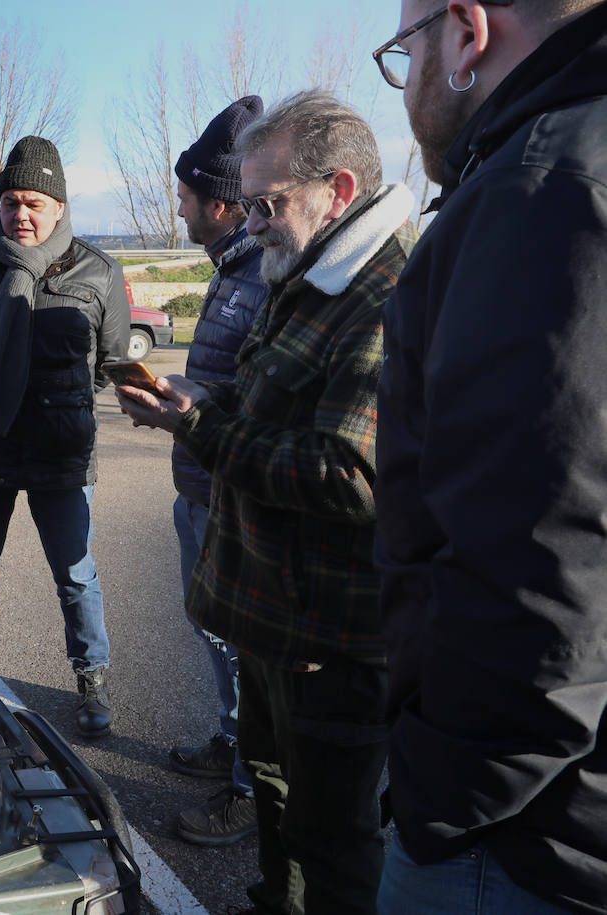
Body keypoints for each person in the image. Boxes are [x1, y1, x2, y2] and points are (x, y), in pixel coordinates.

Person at [116, 91, 412, 913]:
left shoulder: (379, 294)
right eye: (244, 204)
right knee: (278, 795)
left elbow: (350, 474)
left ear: (339, 189)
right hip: (276, 620)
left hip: (331, 638)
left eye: (265, 204)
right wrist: (193, 403)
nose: (248, 224)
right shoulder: (309, 264)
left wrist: (203, 427)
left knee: (335, 836)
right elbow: (263, 398)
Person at [373, 2, 607, 912]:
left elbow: (541, 565)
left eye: (407, 47)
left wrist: (447, 795)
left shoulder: (542, 190)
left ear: (467, 34)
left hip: (522, 840)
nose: (407, 82)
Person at [0, 135, 129, 738]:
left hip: (61, 449)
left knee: (75, 573)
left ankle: (91, 677)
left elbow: (110, 360)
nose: (22, 214)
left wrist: (52, 401)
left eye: (36, 203)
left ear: (59, 208)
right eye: (12, 201)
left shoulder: (98, 271)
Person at [163, 95, 270, 849]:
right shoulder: (231, 265)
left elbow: (261, 393)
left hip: (231, 497)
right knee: (213, 635)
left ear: (221, 203)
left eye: (186, 198)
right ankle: (232, 745)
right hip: (199, 488)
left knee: (238, 643)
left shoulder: (262, 273)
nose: (179, 212)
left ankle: (247, 789)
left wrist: (187, 410)